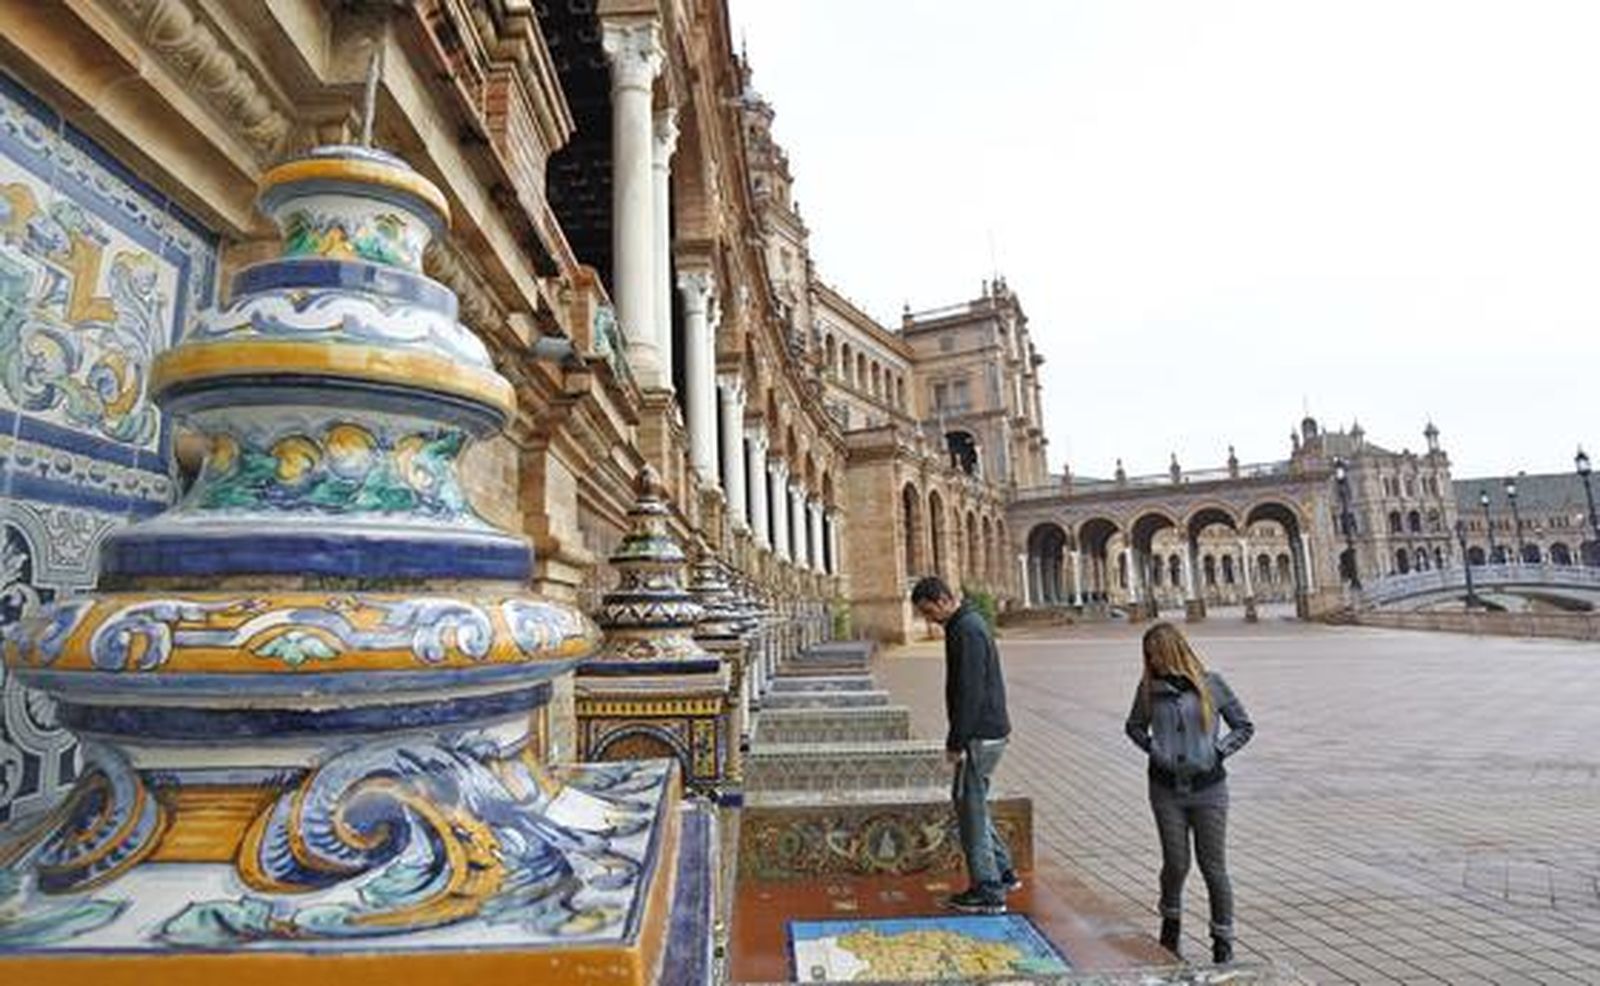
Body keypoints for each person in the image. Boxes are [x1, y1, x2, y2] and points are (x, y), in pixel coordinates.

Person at [1124, 622, 1254, 965]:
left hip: (1209, 788)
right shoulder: (1149, 688)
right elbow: (1133, 726)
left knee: (1214, 868)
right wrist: (1155, 749)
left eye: (1155, 655)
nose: (1152, 662)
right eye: (1148, 657)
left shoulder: (1212, 684)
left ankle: (1222, 940)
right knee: (1176, 862)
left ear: (1171, 651)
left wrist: (1219, 751)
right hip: (1165, 788)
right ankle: (1171, 923)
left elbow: (1244, 725)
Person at [911, 576, 1017, 914]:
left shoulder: (966, 629)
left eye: (930, 611)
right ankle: (1003, 871)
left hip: (980, 734)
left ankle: (988, 890)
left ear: (943, 599)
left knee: (970, 807)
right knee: (972, 801)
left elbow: (969, 691)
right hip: (986, 731)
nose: (930, 620)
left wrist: (957, 741)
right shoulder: (966, 623)